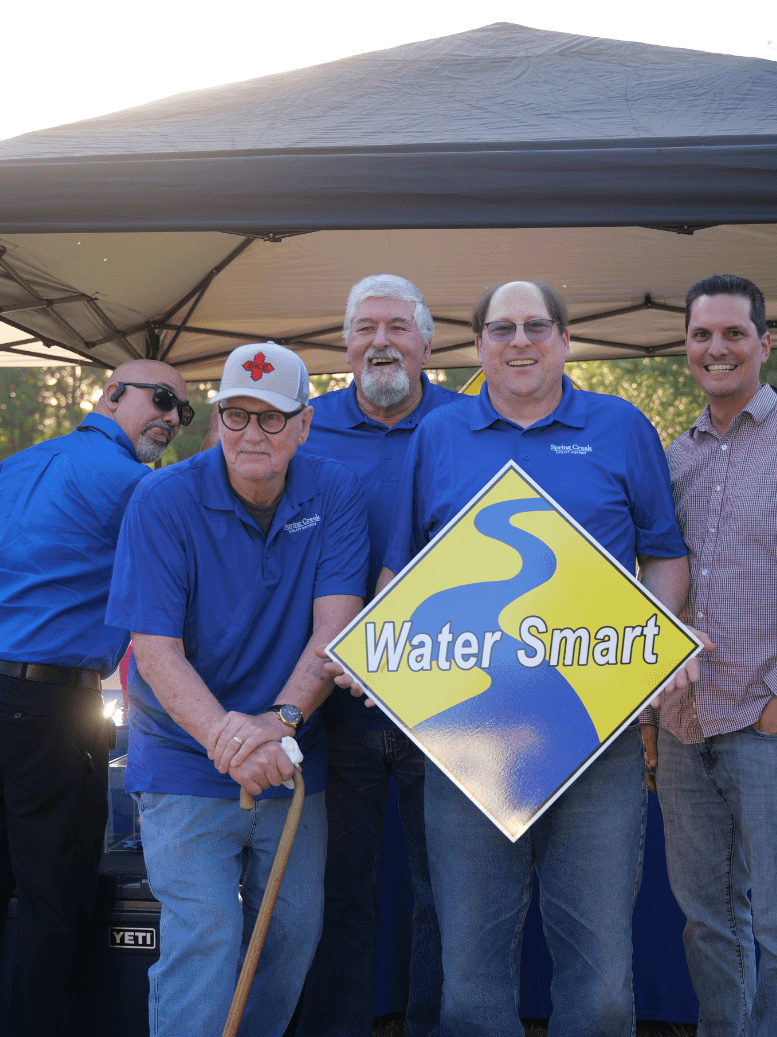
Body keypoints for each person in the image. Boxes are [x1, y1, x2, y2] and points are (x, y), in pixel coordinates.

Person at [378, 280, 693, 1037]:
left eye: (535, 326)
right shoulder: (440, 435)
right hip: (466, 746)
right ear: (478, 344)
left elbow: (665, 557)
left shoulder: (620, 427)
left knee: (601, 980)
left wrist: (646, 654)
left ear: (564, 338)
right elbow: (399, 574)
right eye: (501, 328)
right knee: (470, 980)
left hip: (595, 735)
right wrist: (381, 657)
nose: (518, 341)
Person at [0, 359, 192, 1037]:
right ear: (111, 394)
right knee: (54, 892)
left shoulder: (18, 464)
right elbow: (168, 600)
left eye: (183, 410)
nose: (173, 418)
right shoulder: (135, 487)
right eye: (162, 400)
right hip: (43, 703)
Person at [107, 341, 370, 1037]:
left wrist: (278, 723)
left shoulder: (335, 490)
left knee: (291, 935)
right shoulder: (160, 498)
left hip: (285, 751)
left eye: (272, 418)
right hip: (186, 760)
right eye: (235, 415)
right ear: (215, 419)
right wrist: (233, 742)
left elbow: (334, 629)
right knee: (207, 936)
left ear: (305, 425)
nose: (251, 434)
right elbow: (155, 652)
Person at [642, 274, 777, 1037]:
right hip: (687, 722)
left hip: (775, 720)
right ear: (686, 348)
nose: (715, 349)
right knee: (707, 920)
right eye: (701, 335)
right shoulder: (672, 457)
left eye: (732, 334)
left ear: (765, 343)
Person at [297, 275, 459, 1037]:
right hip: (334, 696)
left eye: (397, 326)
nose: (380, 340)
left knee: (449, 890)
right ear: (345, 343)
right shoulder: (302, 425)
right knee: (339, 884)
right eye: (365, 327)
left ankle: (433, 1024)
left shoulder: (470, 423)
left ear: (428, 343)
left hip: (449, 696)